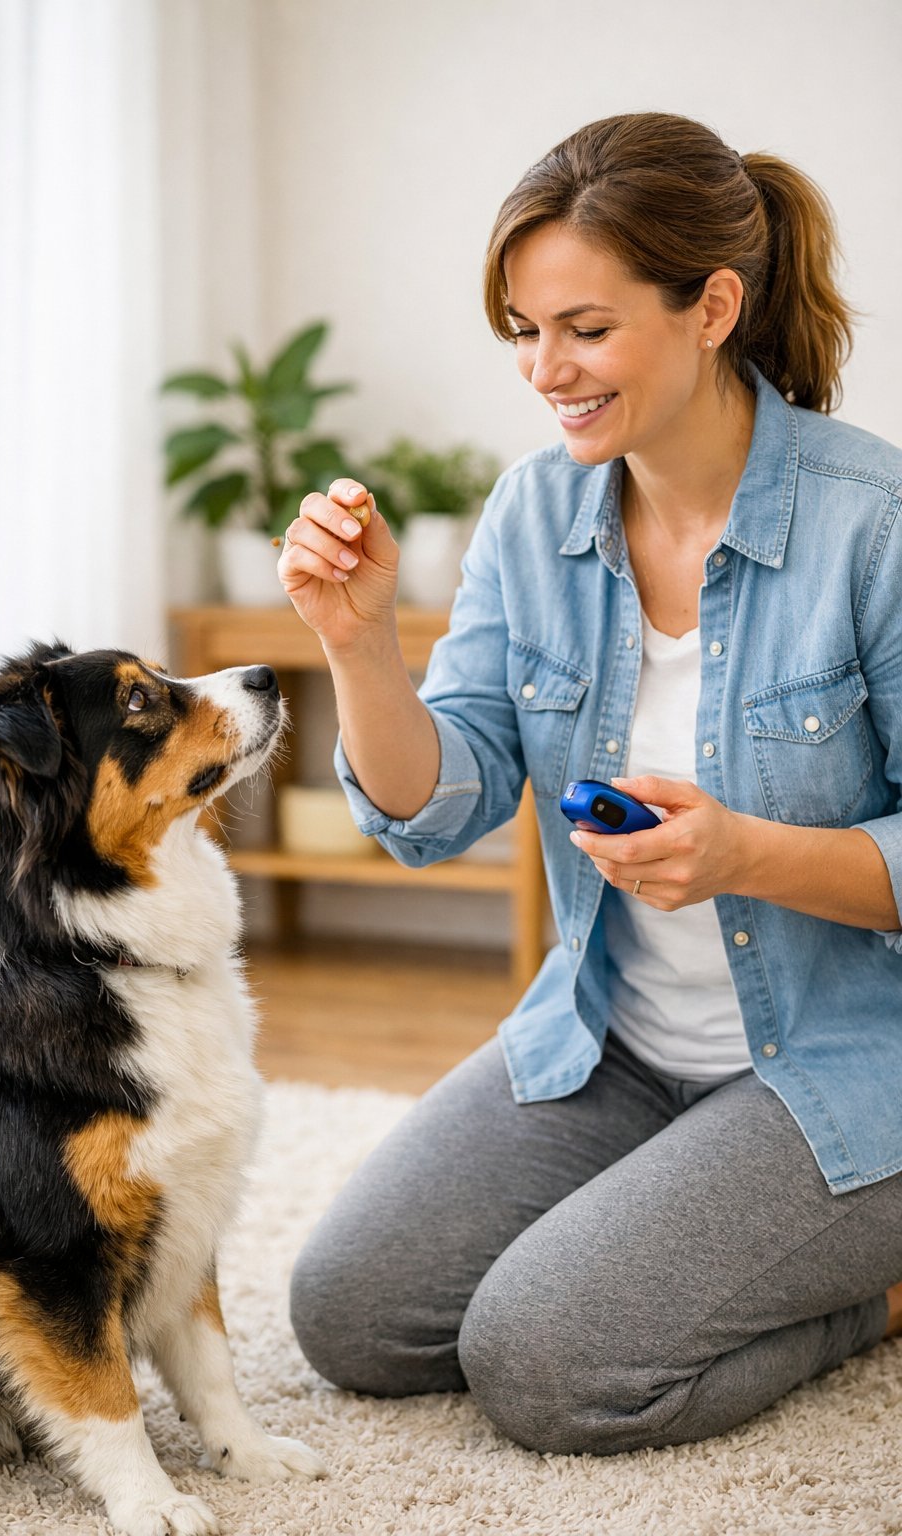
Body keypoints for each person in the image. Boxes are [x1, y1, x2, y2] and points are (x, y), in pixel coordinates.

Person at [276, 111, 902, 1457]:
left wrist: (743, 855)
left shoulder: (876, 527)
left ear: (713, 307)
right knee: (350, 1313)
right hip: (608, 1044)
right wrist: (360, 645)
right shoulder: (533, 515)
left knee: (545, 1360)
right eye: (522, 328)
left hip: (848, 1071)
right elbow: (438, 809)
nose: (544, 369)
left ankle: (881, 1289)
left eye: (585, 328)